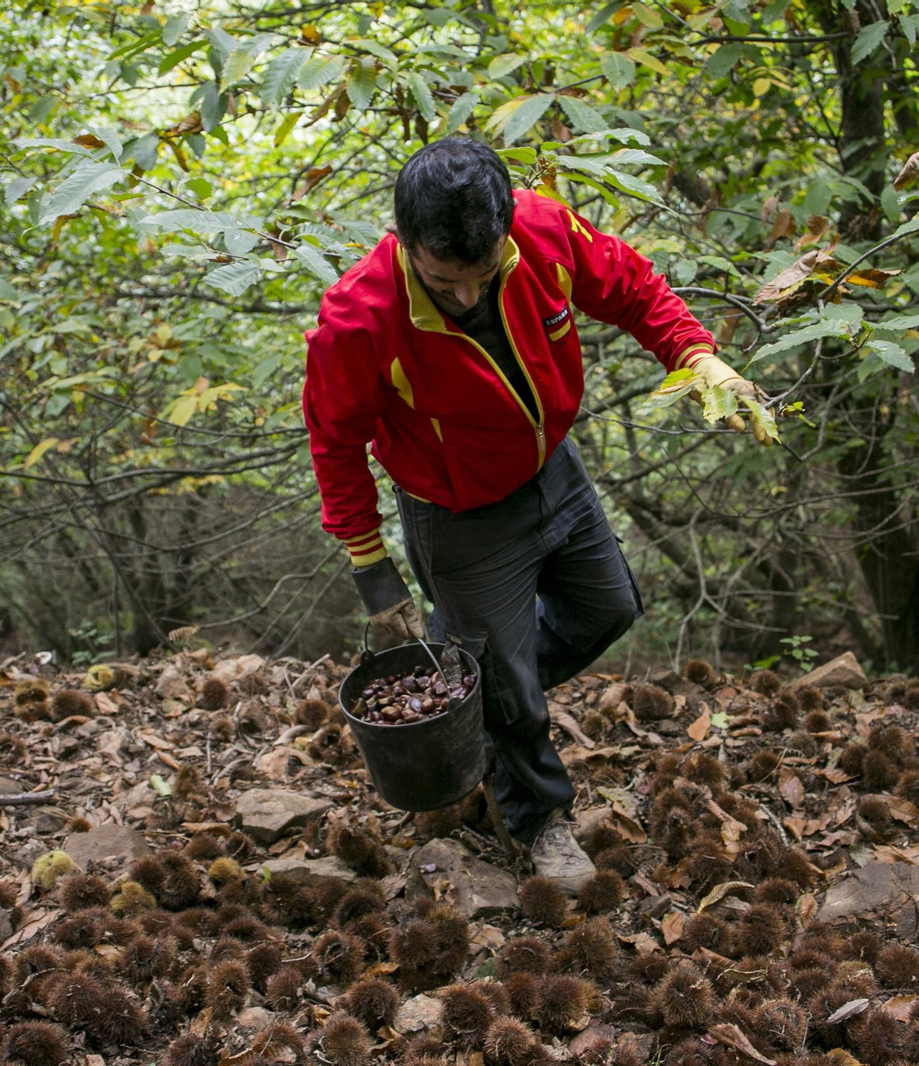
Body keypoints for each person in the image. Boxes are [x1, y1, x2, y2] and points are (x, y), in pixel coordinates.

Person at [302, 136, 770, 890]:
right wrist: (370, 568)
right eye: (443, 280)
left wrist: (697, 355)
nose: (465, 297)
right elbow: (334, 441)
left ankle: (470, 705)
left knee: (609, 608)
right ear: (406, 241)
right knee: (511, 686)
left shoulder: (544, 231)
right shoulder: (358, 317)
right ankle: (539, 820)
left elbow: (632, 286)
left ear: (505, 231)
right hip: (458, 515)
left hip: (555, 472)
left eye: (480, 276)